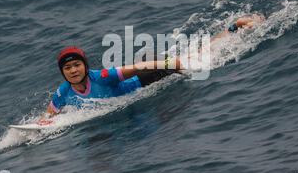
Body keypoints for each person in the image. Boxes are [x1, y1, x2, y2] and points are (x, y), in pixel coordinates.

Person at [38, 14, 264, 124]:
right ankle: (232, 28)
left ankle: (235, 28)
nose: (73, 70)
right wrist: (42, 122)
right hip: (148, 66)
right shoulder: (63, 91)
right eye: (68, 67)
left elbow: (138, 67)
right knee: (193, 55)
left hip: (148, 74)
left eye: (77, 64)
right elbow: (50, 112)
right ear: (63, 72)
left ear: (85, 66)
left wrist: (171, 65)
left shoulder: (102, 77)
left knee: (200, 59)